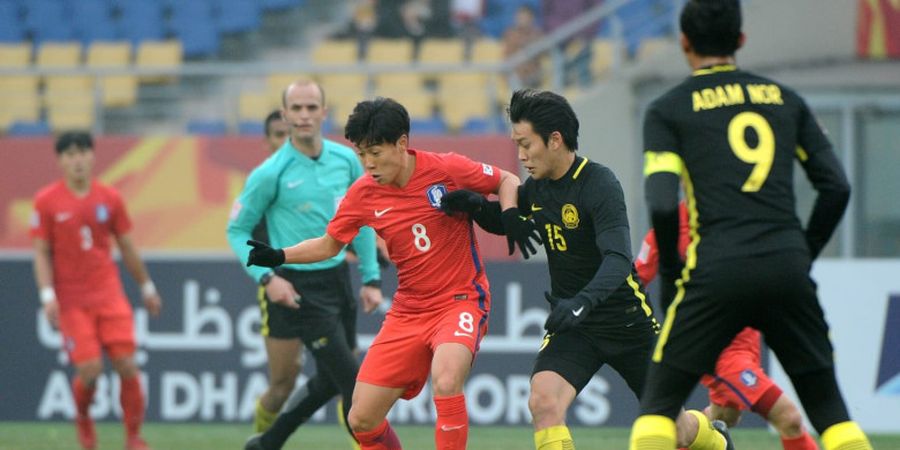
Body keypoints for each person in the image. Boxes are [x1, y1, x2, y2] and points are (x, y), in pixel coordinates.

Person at [629, 1, 873, 449]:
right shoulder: (785, 100)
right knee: (831, 413)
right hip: (786, 269)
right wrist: (803, 252)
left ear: (684, 43)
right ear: (741, 41)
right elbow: (836, 186)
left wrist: (669, 279)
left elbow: (662, 203)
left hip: (714, 273)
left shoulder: (669, 109)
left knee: (658, 411)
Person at [441, 89, 732, 450]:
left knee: (675, 431)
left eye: (526, 144)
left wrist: (582, 302)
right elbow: (508, 225)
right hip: (574, 325)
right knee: (543, 402)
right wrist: (475, 207)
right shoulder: (538, 188)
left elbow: (619, 260)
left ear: (555, 140)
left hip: (626, 322)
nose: (521, 155)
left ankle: (715, 439)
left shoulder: (599, 183)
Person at [243, 96, 531, 450]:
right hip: (408, 311)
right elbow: (330, 244)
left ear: (402, 144)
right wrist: (279, 255)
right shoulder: (364, 192)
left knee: (446, 379)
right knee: (361, 418)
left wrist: (512, 216)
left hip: (460, 300)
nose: (367, 164)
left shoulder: (447, 169)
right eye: (361, 154)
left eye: (375, 153)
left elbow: (506, 179)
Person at [227, 80, 383, 450]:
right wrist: (267, 278)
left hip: (337, 281)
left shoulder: (346, 160)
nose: (303, 115)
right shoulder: (271, 173)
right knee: (353, 382)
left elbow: (358, 221)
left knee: (332, 379)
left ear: (324, 114)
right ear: (285, 115)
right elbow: (237, 230)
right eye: (296, 109)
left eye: (311, 108)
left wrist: (371, 277)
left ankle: (267, 443)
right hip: (297, 287)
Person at [636, 202, 819, 450]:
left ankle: (703, 440)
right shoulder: (668, 227)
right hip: (714, 346)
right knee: (789, 418)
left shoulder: (740, 214)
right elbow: (634, 282)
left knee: (723, 417)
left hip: (747, 340)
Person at [30, 131, 162, 450]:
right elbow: (41, 252)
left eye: (82, 152)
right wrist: (47, 296)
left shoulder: (110, 198)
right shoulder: (47, 201)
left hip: (109, 294)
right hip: (73, 301)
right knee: (90, 370)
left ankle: (133, 437)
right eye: (69, 154)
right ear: (60, 160)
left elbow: (127, 247)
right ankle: (84, 420)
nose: (77, 160)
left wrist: (146, 286)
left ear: (92, 156)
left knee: (127, 364)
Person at [503, 5, 544, 89]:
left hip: (532, 75)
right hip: (514, 74)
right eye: (520, 17)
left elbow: (540, 54)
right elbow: (507, 55)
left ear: (531, 19)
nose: (522, 20)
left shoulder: (537, 34)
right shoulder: (510, 34)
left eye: (525, 17)